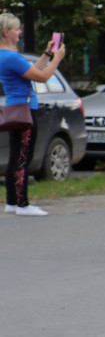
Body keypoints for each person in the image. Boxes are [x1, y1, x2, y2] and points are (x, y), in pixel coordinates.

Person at [0, 13, 66, 216]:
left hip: (14, 108)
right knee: (23, 159)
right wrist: (57, 59)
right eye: (17, 29)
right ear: (6, 32)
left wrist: (46, 55)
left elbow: (32, 72)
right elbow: (44, 77)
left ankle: (12, 202)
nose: (20, 32)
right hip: (25, 111)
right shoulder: (11, 56)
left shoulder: (4, 56)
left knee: (15, 156)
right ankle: (23, 205)